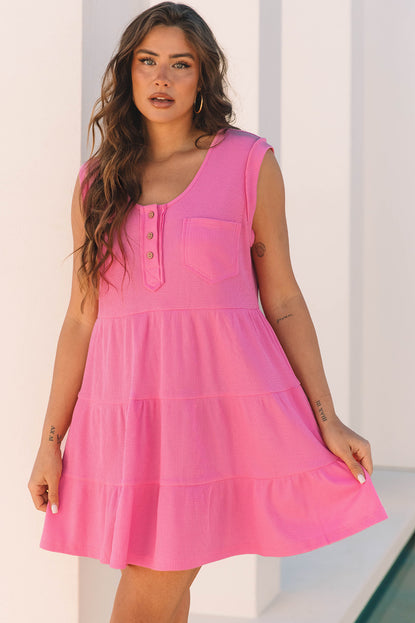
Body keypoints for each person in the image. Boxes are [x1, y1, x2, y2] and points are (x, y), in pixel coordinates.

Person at [27, 2, 388, 622]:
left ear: (204, 76)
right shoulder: (97, 182)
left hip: (218, 417)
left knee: (150, 592)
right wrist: (49, 443)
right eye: (147, 62)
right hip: (129, 415)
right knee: (165, 596)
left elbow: (283, 299)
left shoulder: (248, 162)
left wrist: (327, 418)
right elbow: (81, 318)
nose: (161, 78)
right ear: (128, 73)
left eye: (180, 64)